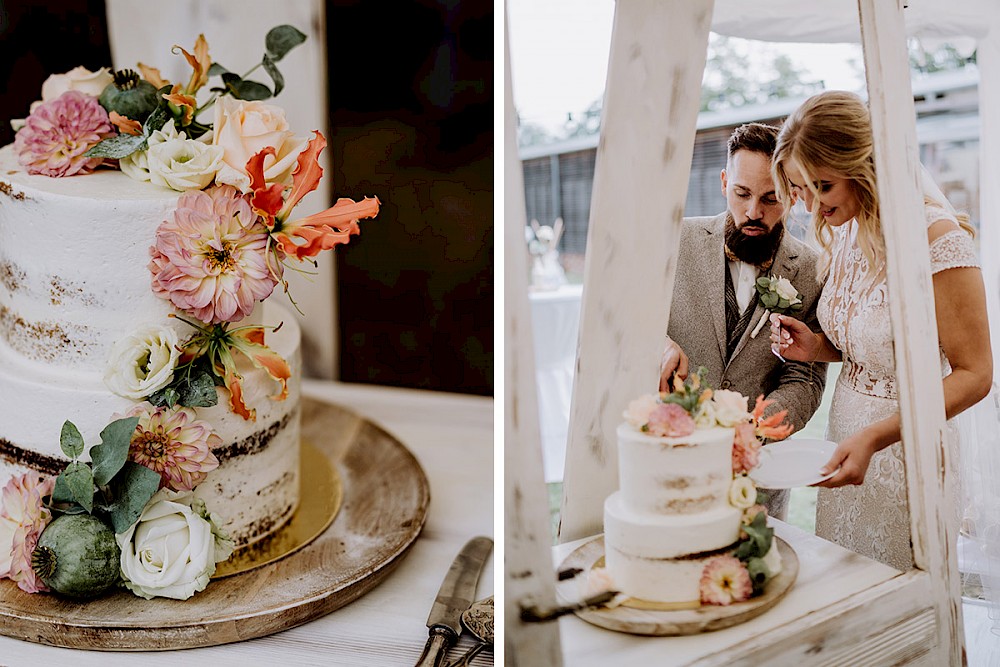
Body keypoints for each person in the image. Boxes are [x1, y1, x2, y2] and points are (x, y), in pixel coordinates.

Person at [769, 90, 994, 570]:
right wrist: (818, 347)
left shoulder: (937, 241)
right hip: (847, 441)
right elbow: (871, 345)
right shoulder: (848, 225)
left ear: (863, 165)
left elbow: (975, 374)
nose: (809, 207)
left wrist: (876, 436)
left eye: (821, 186)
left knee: (914, 606)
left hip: (908, 452)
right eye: (799, 189)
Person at [659, 122, 828, 521]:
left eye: (771, 198)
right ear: (723, 183)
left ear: (792, 194)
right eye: (742, 193)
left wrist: (755, 429)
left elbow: (805, 378)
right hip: (672, 456)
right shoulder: (674, 241)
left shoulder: (809, 269)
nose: (754, 212)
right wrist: (659, 346)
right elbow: (631, 321)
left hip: (757, 478)